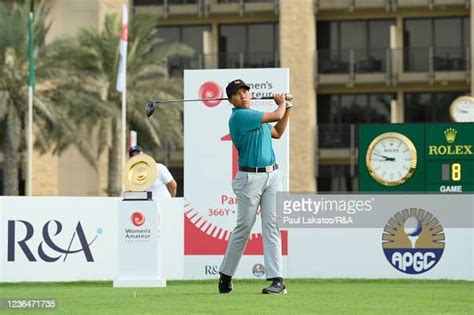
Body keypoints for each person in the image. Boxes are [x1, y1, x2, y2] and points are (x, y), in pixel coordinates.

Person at [218, 79, 292, 295]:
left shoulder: (255, 116)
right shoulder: (240, 116)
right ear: (231, 100)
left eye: (246, 92)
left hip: (272, 176)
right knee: (243, 228)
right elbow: (276, 115)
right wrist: (282, 103)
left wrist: (289, 109)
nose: (244, 96)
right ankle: (225, 275)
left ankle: (277, 280)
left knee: (272, 226)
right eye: (239, 94)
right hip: (250, 179)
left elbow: (277, 132)